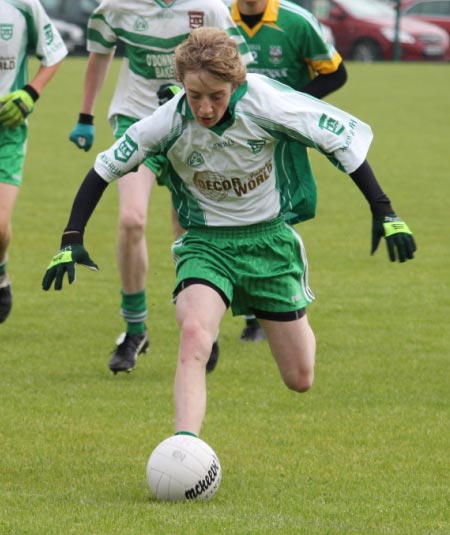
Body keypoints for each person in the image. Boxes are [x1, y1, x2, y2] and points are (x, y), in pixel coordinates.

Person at [42, 28, 416, 438]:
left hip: (270, 242)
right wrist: (71, 237)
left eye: (216, 96)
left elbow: (342, 141)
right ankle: (184, 447)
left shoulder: (267, 102)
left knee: (300, 377)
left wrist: (385, 211)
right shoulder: (169, 119)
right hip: (207, 243)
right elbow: (104, 169)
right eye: (194, 95)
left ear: (234, 84)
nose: (204, 107)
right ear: (181, 84)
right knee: (193, 335)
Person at [68, 0, 253, 375]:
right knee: (132, 220)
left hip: (196, 126)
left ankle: (203, 324)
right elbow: (99, 55)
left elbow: (242, 69)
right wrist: (85, 116)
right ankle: (135, 330)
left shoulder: (209, 8)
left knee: (187, 230)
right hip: (137, 121)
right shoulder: (116, 7)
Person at [230, 0, 348, 342]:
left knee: (281, 219)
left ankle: (281, 305)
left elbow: (335, 73)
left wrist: (290, 107)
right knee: (241, 217)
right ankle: (255, 315)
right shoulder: (219, 17)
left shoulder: (297, 22)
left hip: (283, 140)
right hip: (234, 140)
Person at [0, 0, 67, 324]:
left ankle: (0, 274)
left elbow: (54, 52)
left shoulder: (23, 5)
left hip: (6, 129)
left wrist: (30, 93)